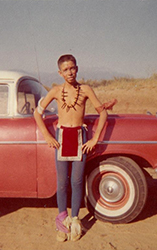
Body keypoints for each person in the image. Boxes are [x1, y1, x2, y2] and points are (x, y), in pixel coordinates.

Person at [34, 54, 117, 242]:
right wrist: (47, 136)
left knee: (77, 181)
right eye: (65, 69)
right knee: (62, 181)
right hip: (62, 138)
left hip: (80, 137)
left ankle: (75, 220)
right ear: (59, 72)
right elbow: (37, 114)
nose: (69, 72)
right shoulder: (55, 91)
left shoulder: (86, 89)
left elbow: (102, 113)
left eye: (72, 68)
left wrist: (95, 139)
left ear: (77, 68)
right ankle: (62, 223)